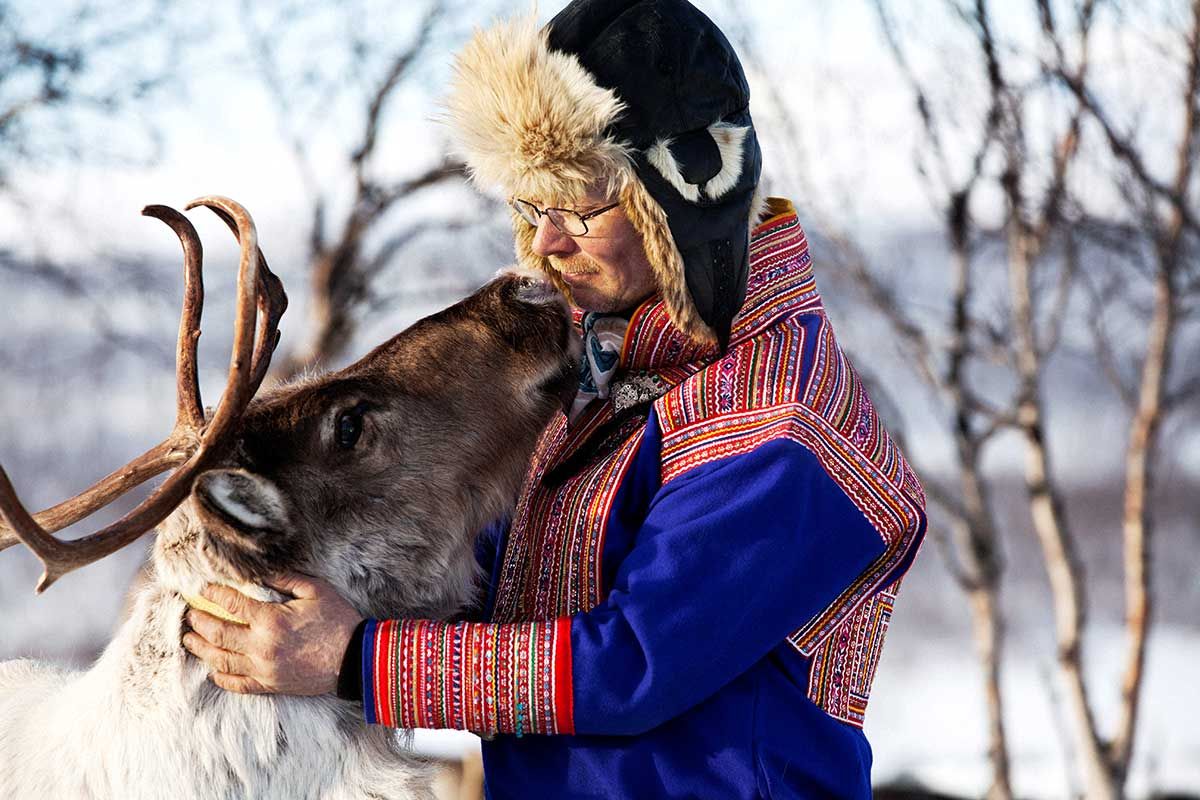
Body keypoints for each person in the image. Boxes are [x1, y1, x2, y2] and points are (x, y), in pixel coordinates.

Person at [182, 1, 928, 797]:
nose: (545, 242)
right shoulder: (603, 386)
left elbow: (631, 666)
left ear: (685, 197)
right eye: (532, 207)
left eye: (579, 206)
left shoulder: (782, 427)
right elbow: (503, 608)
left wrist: (357, 660)